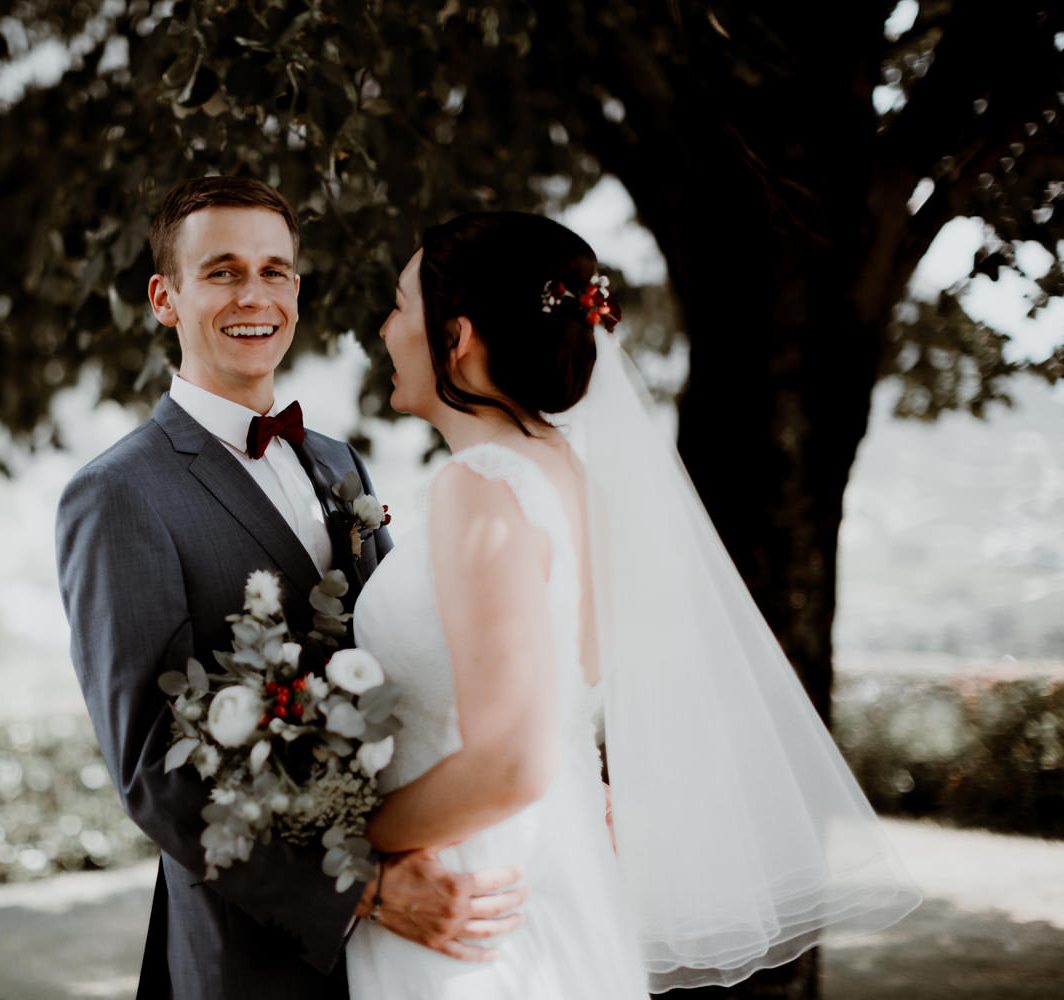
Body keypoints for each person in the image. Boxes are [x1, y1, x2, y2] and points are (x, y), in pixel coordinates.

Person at [343, 212, 922, 998]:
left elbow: (511, 763)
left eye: (401, 304)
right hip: (556, 863)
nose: (382, 328)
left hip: (467, 902)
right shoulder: (568, 478)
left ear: (459, 337)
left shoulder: (479, 488)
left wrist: (340, 840)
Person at [54, 178, 528, 1000]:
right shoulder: (119, 495)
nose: (255, 295)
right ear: (165, 298)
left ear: (298, 293)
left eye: (275, 271)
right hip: (254, 950)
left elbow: (408, 664)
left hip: (422, 914)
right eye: (223, 271)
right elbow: (151, 768)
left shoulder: (338, 462)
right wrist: (360, 892)